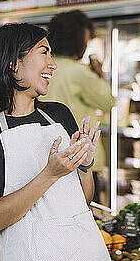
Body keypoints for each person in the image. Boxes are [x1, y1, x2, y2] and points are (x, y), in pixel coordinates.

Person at [0, 23, 122, 261]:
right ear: (13, 64)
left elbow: (82, 202)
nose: (53, 64)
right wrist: (50, 174)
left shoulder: (59, 115)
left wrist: (84, 166)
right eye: (44, 53)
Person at [40, 10, 114, 197]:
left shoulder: (43, 67)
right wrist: (100, 74)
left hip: (47, 157)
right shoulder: (79, 72)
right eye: (86, 41)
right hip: (79, 158)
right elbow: (108, 101)